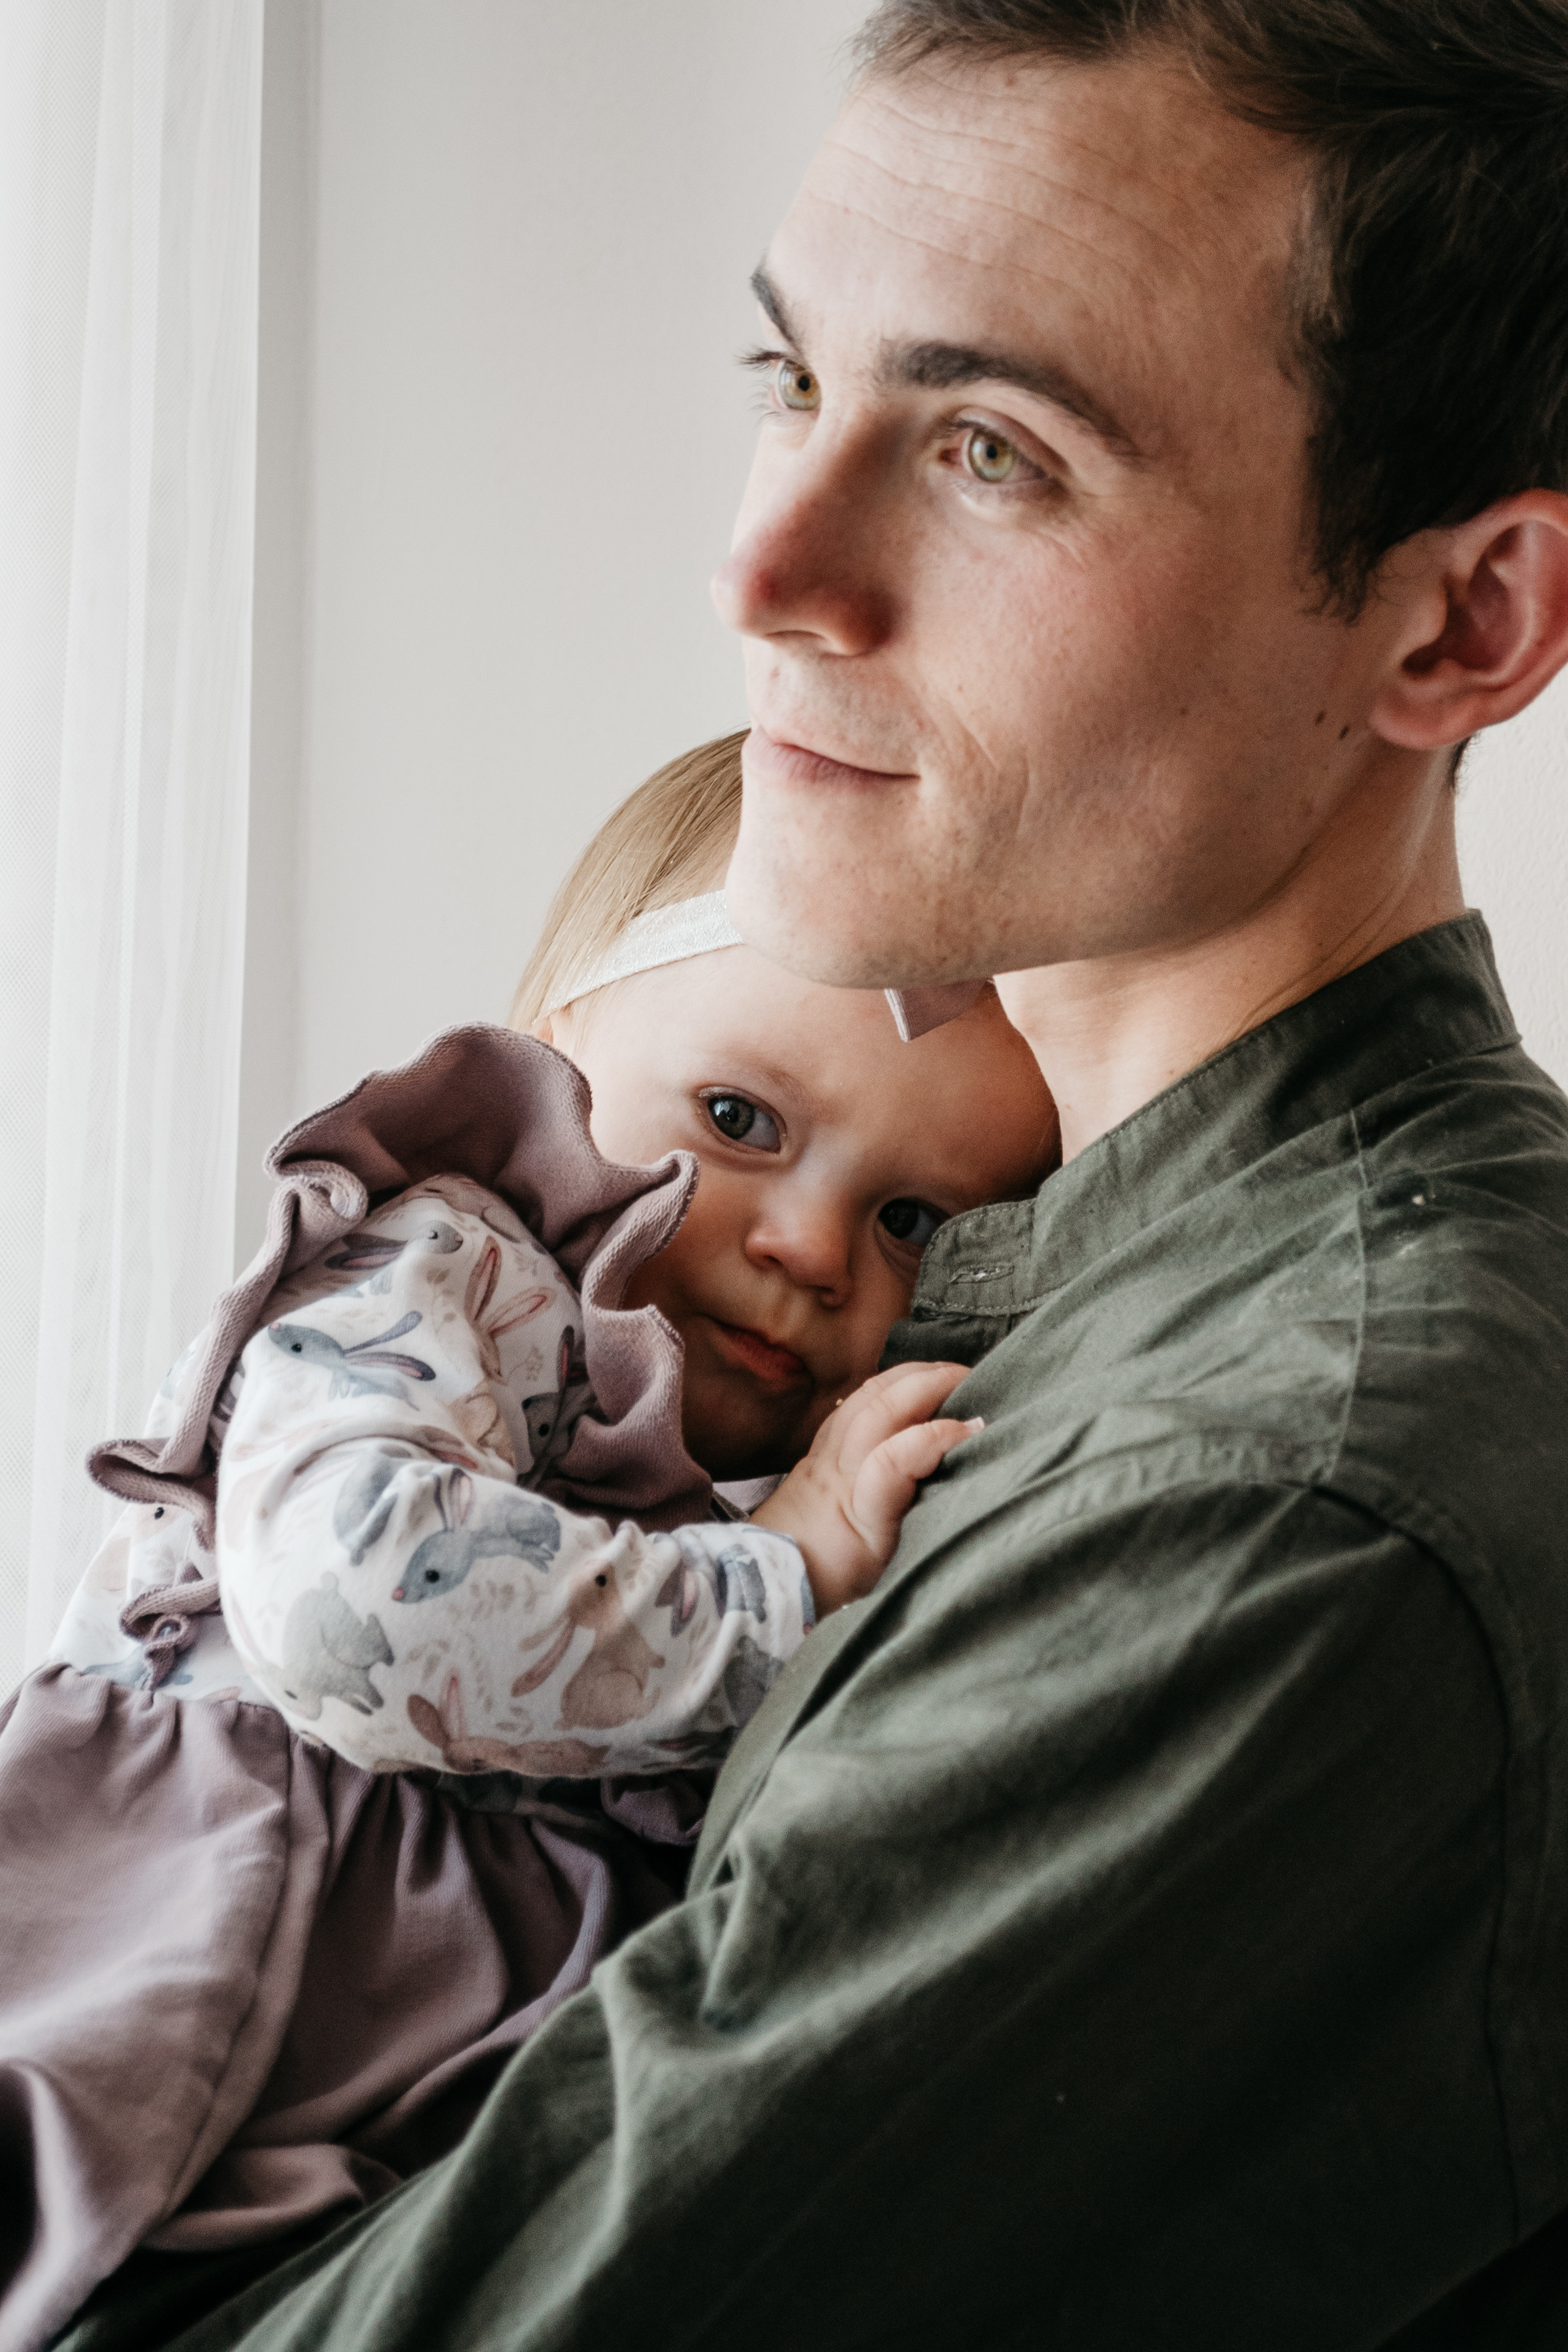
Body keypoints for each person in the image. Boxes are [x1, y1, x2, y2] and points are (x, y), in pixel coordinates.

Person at [46, 1, 1568, 2346]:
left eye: (991, 447)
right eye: (788, 382)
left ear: (1459, 622)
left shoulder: (1285, 1504)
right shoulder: (924, 1293)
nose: (766, 561)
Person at [0, 731, 1049, 2352]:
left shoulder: (709, 1490)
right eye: (741, 1116)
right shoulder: (456, 1271)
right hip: (173, 1978)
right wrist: (786, 1576)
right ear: (559, 1047)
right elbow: (363, 1609)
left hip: (378, 2130)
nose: (812, 1246)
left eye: (913, 1218)